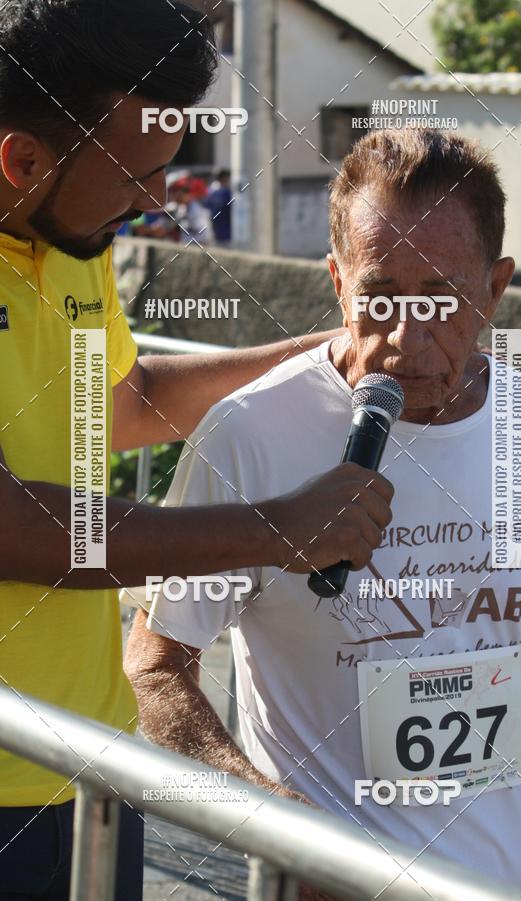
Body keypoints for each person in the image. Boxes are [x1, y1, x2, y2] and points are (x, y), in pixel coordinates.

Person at [126, 128, 521, 895]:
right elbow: (155, 669)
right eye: (378, 297)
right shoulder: (252, 433)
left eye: (443, 298)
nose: (407, 338)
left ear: (493, 287)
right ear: (338, 286)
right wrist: (276, 826)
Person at [0, 2, 393, 898]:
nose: (154, 200)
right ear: (22, 159)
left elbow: (125, 401)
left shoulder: (69, 232)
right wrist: (277, 527)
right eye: (138, 176)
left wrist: (329, 345)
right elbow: (12, 526)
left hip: (92, 765)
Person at [204, 169, 232, 244]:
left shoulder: (211, 192)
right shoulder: (227, 193)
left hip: (214, 232)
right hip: (226, 233)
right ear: (225, 178)